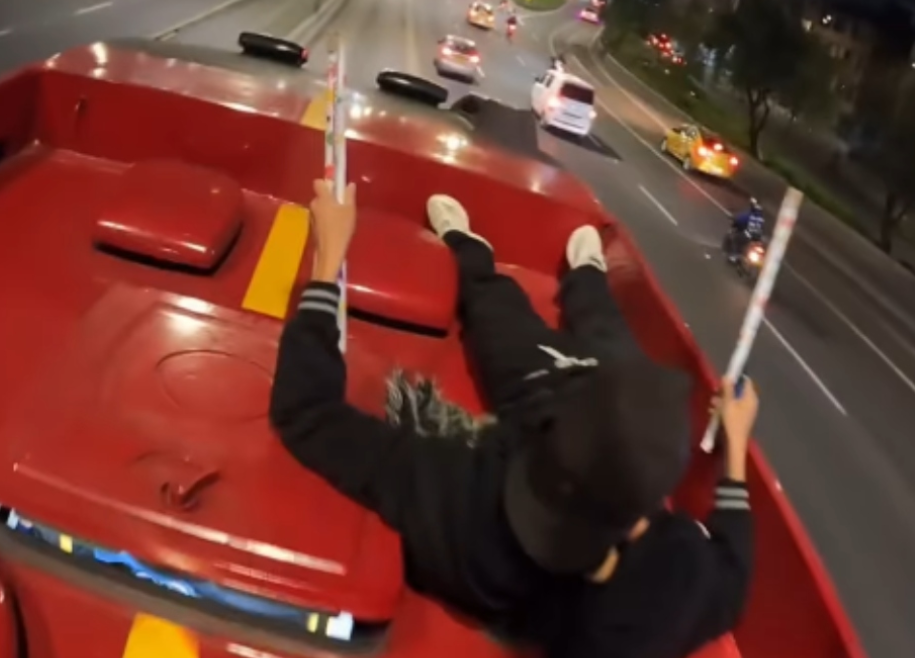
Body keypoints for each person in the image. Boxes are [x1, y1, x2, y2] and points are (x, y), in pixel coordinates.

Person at [269, 183, 753, 654]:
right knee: (606, 327)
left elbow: (306, 412)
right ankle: (587, 276)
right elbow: (731, 583)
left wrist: (328, 256)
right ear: (639, 522)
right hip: (595, 392)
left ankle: (467, 245)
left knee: (495, 310)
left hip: (540, 386)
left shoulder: (460, 500)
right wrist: (734, 452)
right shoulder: (656, 605)